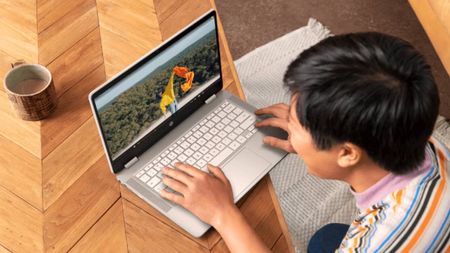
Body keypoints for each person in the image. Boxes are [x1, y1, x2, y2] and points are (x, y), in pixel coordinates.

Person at [159, 32, 450, 252]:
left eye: (297, 124)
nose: (290, 124)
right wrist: (313, 131)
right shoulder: (423, 141)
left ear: (348, 152)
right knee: (325, 239)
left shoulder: (375, 243)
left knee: (323, 243)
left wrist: (222, 214)